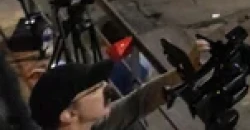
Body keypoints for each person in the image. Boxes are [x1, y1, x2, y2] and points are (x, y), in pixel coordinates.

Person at [29, 41, 206, 130]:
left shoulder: (95, 125)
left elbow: (137, 103)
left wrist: (182, 72)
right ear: (69, 114)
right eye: (95, 88)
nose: (107, 88)